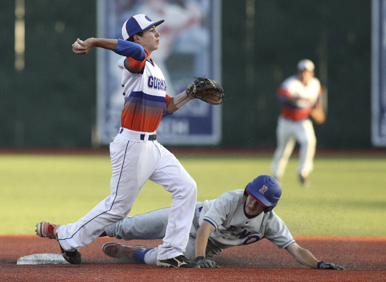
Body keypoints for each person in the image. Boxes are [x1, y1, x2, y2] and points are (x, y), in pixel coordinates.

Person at [35, 14, 206, 268]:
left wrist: (190, 94)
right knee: (117, 208)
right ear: (137, 37)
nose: (157, 33)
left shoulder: (155, 69)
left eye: (156, 29)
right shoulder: (135, 60)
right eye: (151, 30)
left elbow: (167, 107)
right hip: (133, 145)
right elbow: (131, 49)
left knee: (187, 187)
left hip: (152, 146)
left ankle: (170, 252)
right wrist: (93, 41)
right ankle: (67, 236)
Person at [100, 175, 345, 270]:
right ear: (248, 192)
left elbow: (295, 248)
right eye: (252, 196)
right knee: (129, 226)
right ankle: (80, 230)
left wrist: (318, 264)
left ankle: (134, 254)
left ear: (267, 207)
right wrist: (199, 258)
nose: (252, 203)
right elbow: (206, 226)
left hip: (206, 245)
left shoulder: (269, 222)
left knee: (164, 258)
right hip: (190, 217)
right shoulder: (232, 199)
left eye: (260, 202)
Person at [270, 59, 326, 186]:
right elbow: (281, 97)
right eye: (302, 71)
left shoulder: (315, 84)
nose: (304, 74)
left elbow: (318, 101)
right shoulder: (291, 83)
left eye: (307, 72)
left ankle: (303, 173)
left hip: (303, 121)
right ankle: (276, 175)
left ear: (312, 73)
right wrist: (296, 98)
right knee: (284, 150)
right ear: (298, 72)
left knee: (309, 141)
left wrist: (318, 112)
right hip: (287, 121)